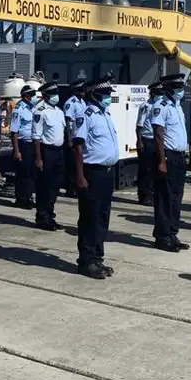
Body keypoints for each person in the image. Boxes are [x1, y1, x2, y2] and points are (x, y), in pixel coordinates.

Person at [72, 76, 119, 279]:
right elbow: (78, 147)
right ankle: (86, 260)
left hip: (106, 174)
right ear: (94, 94)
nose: (108, 97)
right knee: (90, 218)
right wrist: (80, 176)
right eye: (105, 94)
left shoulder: (105, 114)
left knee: (102, 217)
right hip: (92, 173)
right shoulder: (87, 115)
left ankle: (97, 258)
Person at [151, 73, 190, 252]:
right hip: (167, 156)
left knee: (176, 198)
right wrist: (161, 160)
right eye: (177, 88)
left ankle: (172, 234)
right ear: (167, 89)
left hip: (179, 157)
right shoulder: (161, 107)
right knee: (165, 197)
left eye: (181, 88)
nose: (180, 91)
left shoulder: (177, 107)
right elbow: (158, 134)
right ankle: (162, 236)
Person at [32, 81, 66, 230]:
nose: (55, 96)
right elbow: (36, 137)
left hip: (59, 151)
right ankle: (42, 217)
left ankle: (50, 214)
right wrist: (38, 158)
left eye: (56, 93)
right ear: (45, 96)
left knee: (55, 185)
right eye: (52, 94)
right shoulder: (40, 111)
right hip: (46, 152)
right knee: (45, 186)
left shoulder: (59, 111)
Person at [135, 82, 164, 206]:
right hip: (147, 140)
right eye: (157, 93)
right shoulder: (146, 106)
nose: (160, 95)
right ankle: (144, 195)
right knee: (146, 169)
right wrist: (139, 141)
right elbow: (139, 126)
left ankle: (154, 194)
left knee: (156, 169)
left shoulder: (161, 106)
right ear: (152, 93)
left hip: (157, 140)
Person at [10, 85, 37, 208]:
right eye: (31, 95)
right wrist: (16, 151)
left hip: (32, 143)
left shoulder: (32, 107)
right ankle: (21, 198)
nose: (33, 97)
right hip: (23, 144)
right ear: (25, 96)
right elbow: (14, 131)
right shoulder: (18, 109)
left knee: (31, 173)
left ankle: (28, 196)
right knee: (23, 173)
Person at [63, 79, 87, 197]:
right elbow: (68, 121)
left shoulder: (82, 102)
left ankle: (77, 185)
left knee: (79, 161)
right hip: (73, 136)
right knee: (72, 163)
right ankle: (70, 188)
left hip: (81, 136)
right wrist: (69, 138)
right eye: (81, 90)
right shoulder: (71, 102)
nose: (84, 92)